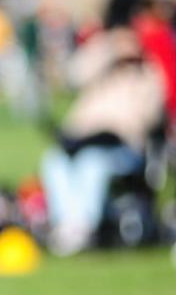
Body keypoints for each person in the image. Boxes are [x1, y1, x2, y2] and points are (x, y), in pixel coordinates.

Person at [40, 25, 164, 255]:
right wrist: (106, 48)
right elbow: (72, 75)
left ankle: (82, 227)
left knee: (92, 164)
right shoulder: (102, 72)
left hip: (121, 148)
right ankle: (67, 222)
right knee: (54, 161)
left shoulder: (147, 76)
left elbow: (146, 118)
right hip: (83, 141)